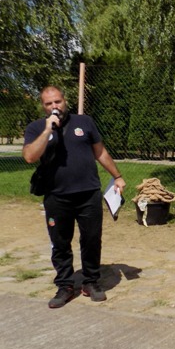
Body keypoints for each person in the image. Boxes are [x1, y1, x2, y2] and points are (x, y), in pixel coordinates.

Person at [23, 85, 126, 309]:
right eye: (49, 103)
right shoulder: (36, 128)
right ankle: (65, 286)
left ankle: (91, 282)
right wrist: (47, 131)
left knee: (91, 240)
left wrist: (117, 176)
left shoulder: (85, 122)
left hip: (88, 193)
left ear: (65, 100)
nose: (54, 106)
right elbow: (30, 156)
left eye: (57, 102)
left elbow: (100, 152)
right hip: (56, 196)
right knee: (60, 243)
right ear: (43, 106)